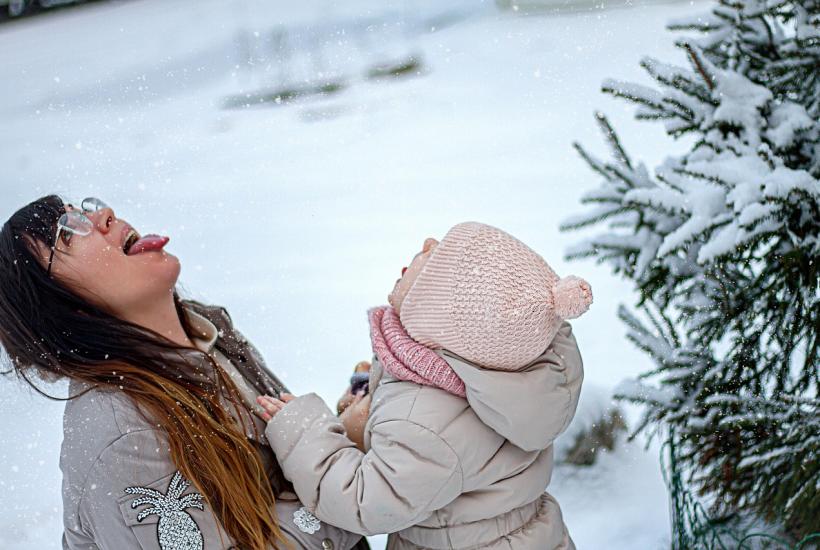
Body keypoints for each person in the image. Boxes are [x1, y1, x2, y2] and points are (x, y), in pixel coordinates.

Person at [0, 195, 366, 550]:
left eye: (84, 209)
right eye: (68, 231)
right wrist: (346, 479)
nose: (106, 214)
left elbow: (277, 476)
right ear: (64, 312)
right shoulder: (122, 437)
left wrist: (351, 423)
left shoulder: (207, 330)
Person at [260, 221, 592, 549]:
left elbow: (365, 500)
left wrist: (306, 435)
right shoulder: (512, 368)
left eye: (438, 259)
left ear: (441, 315)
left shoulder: (425, 424)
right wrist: (375, 400)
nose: (429, 242)